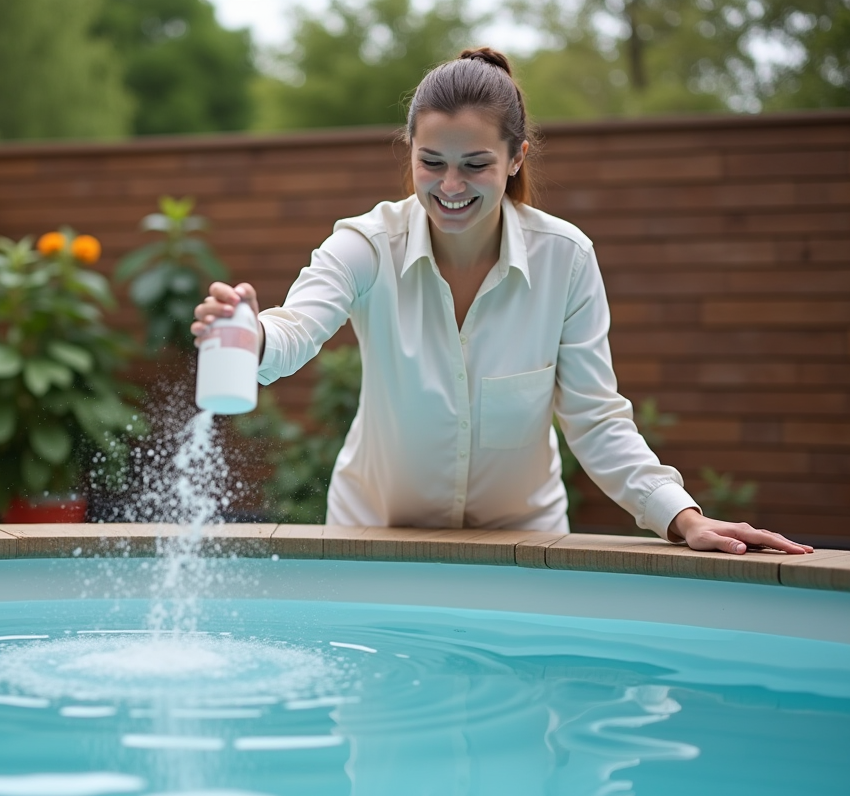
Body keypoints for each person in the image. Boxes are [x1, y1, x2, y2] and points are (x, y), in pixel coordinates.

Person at [192, 47, 812, 557]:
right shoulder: (366, 244)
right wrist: (251, 334)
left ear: (516, 159)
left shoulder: (564, 258)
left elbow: (595, 418)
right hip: (373, 537)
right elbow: (298, 326)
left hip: (524, 545)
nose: (450, 186)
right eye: (431, 162)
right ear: (408, 151)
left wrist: (682, 516)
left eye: (475, 165)